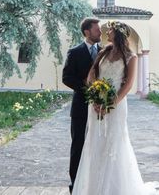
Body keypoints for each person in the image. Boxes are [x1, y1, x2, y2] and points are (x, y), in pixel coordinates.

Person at [71, 20, 159, 195]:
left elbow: (128, 85)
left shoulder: (131, 57)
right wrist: (95, 98)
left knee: (114, 144)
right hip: (95, 106)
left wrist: (110, 104)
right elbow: (91, 77)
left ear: (118, 34)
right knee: (96, 143)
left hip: (116, 106)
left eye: (110, 31)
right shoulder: (103, 52)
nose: (106, 33)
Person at [62, 17, 102, 192]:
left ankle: (94, 185)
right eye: (97, 30)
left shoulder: (104, 52)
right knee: (78, 147)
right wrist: (87, 88)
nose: (100, 32)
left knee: (98, 146)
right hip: (80, 108)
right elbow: (66, 78)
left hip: (101, 109)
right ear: (87, 32)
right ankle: (75, 186)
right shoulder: (75, 52)